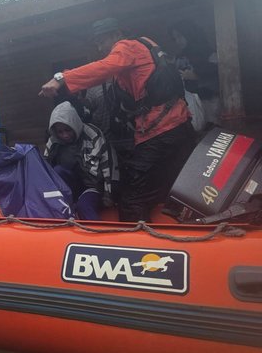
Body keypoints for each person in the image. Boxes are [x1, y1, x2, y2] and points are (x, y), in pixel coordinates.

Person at [39, 17, 195, 222]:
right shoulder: (143, 51)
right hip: (176, 128)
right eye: (97, 42)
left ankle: (136, 249)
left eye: (102, 40)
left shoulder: (126, 47)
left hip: (161, 132)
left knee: (131, 199)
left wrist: (61, 78)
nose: (100, 47)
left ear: (117, 35)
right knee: (162, 191)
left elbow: (105, 67)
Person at [44, 101, 116, 220]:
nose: (65, 135)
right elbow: (44, 170)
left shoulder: (93, 135)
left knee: (85, 206)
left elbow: (108, 163)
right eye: (60, 132)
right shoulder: (53, 142)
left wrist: (109, 195)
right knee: (58, 170)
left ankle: (97, 236)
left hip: (92, 187)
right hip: (68, 188)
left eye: (68, 130)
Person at [168, 20, 221, 126]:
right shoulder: (179, 58)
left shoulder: (210, 54)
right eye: (175, 38)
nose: (178, 41)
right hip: (189, 106)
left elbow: (220, 73)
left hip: (210, 104)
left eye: (180, 36)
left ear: (189, 33)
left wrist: (197, 75)